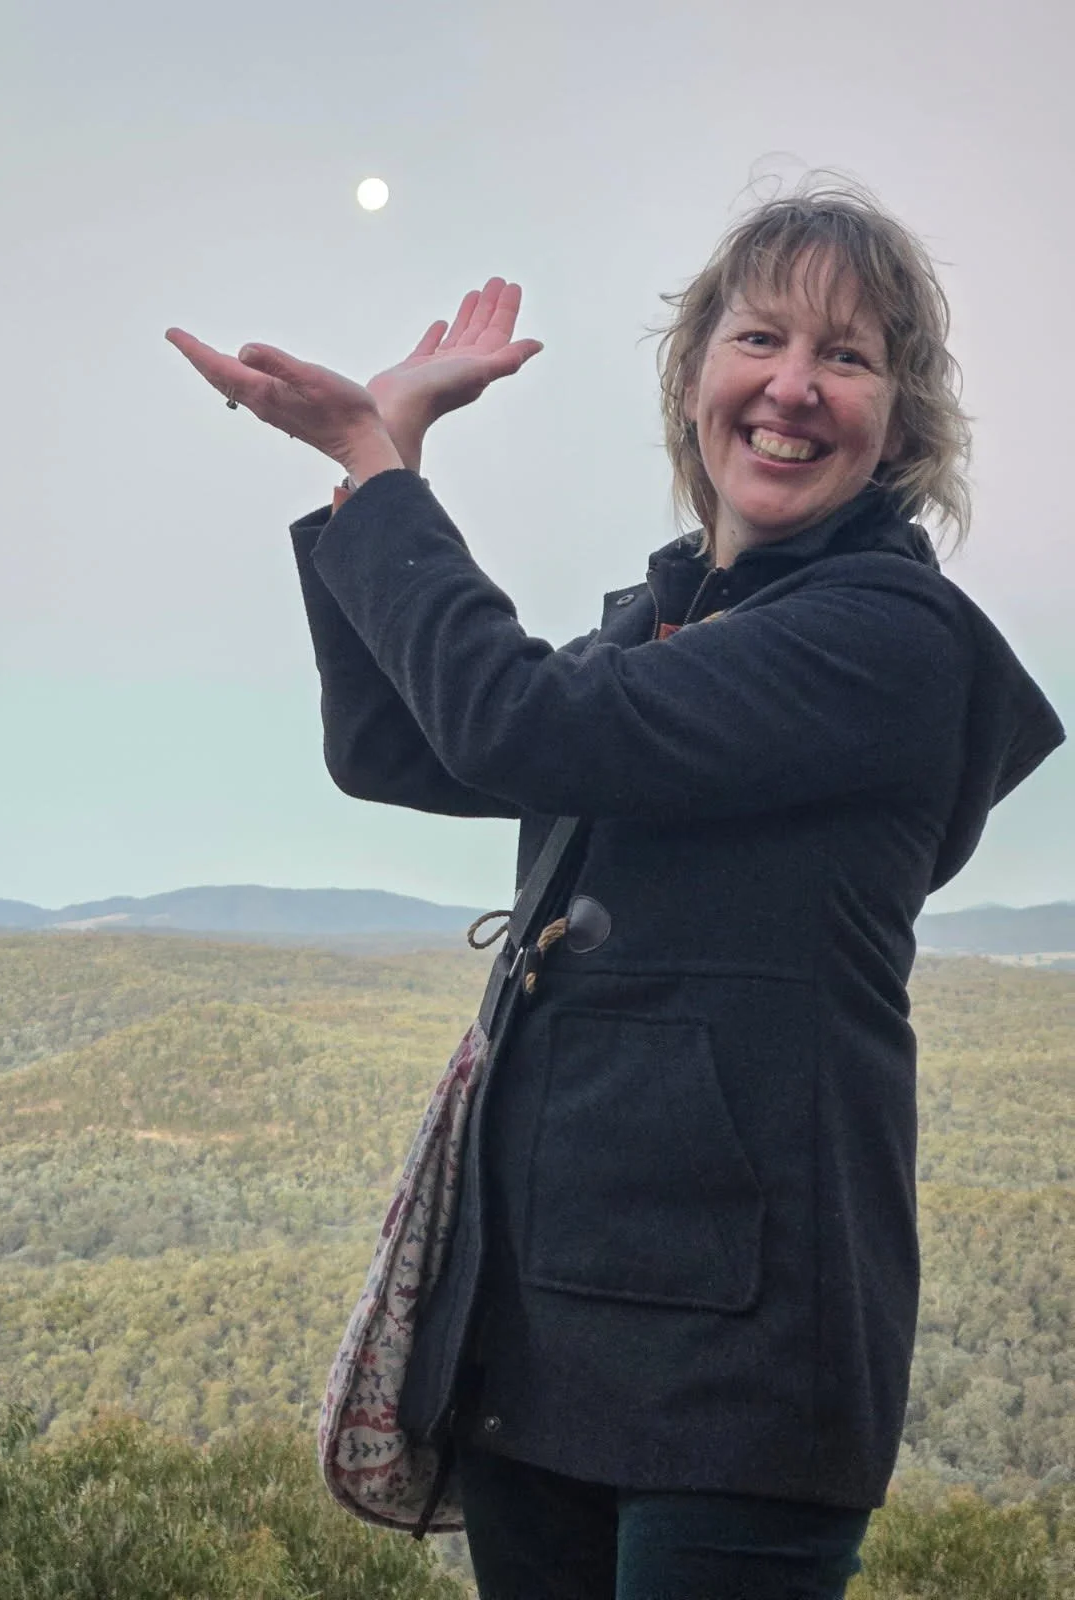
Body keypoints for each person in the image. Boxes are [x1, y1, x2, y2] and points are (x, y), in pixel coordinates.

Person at [167, 179, 1065, 1600]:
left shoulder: (885, 641)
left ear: (902, 420)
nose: (792, 387)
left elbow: (513, 723)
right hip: (550, 1330)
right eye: (760, 339)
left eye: (845, 355)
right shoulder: (668, 630)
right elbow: (398, 743)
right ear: (695, 373)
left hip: (743, 1377)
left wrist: (376, 460)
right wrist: (371, 470)